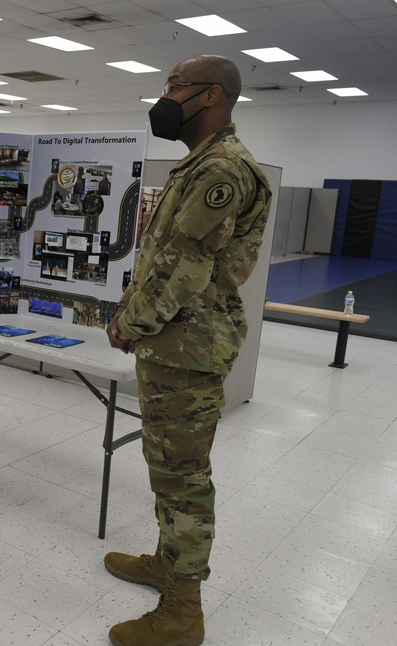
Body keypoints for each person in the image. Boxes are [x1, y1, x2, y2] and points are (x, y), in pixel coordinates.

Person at [104, 55, 272, 646]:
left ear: (212, 96)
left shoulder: (222, 170)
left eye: (175, 86)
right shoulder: (198, 165)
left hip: (188, 347)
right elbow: (165, 253)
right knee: (167, 469)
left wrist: (132, 321)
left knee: (184, 482)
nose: (166, 96)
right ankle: (166, 564)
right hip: (173, 344)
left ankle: (183, 612)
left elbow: (184, 266)